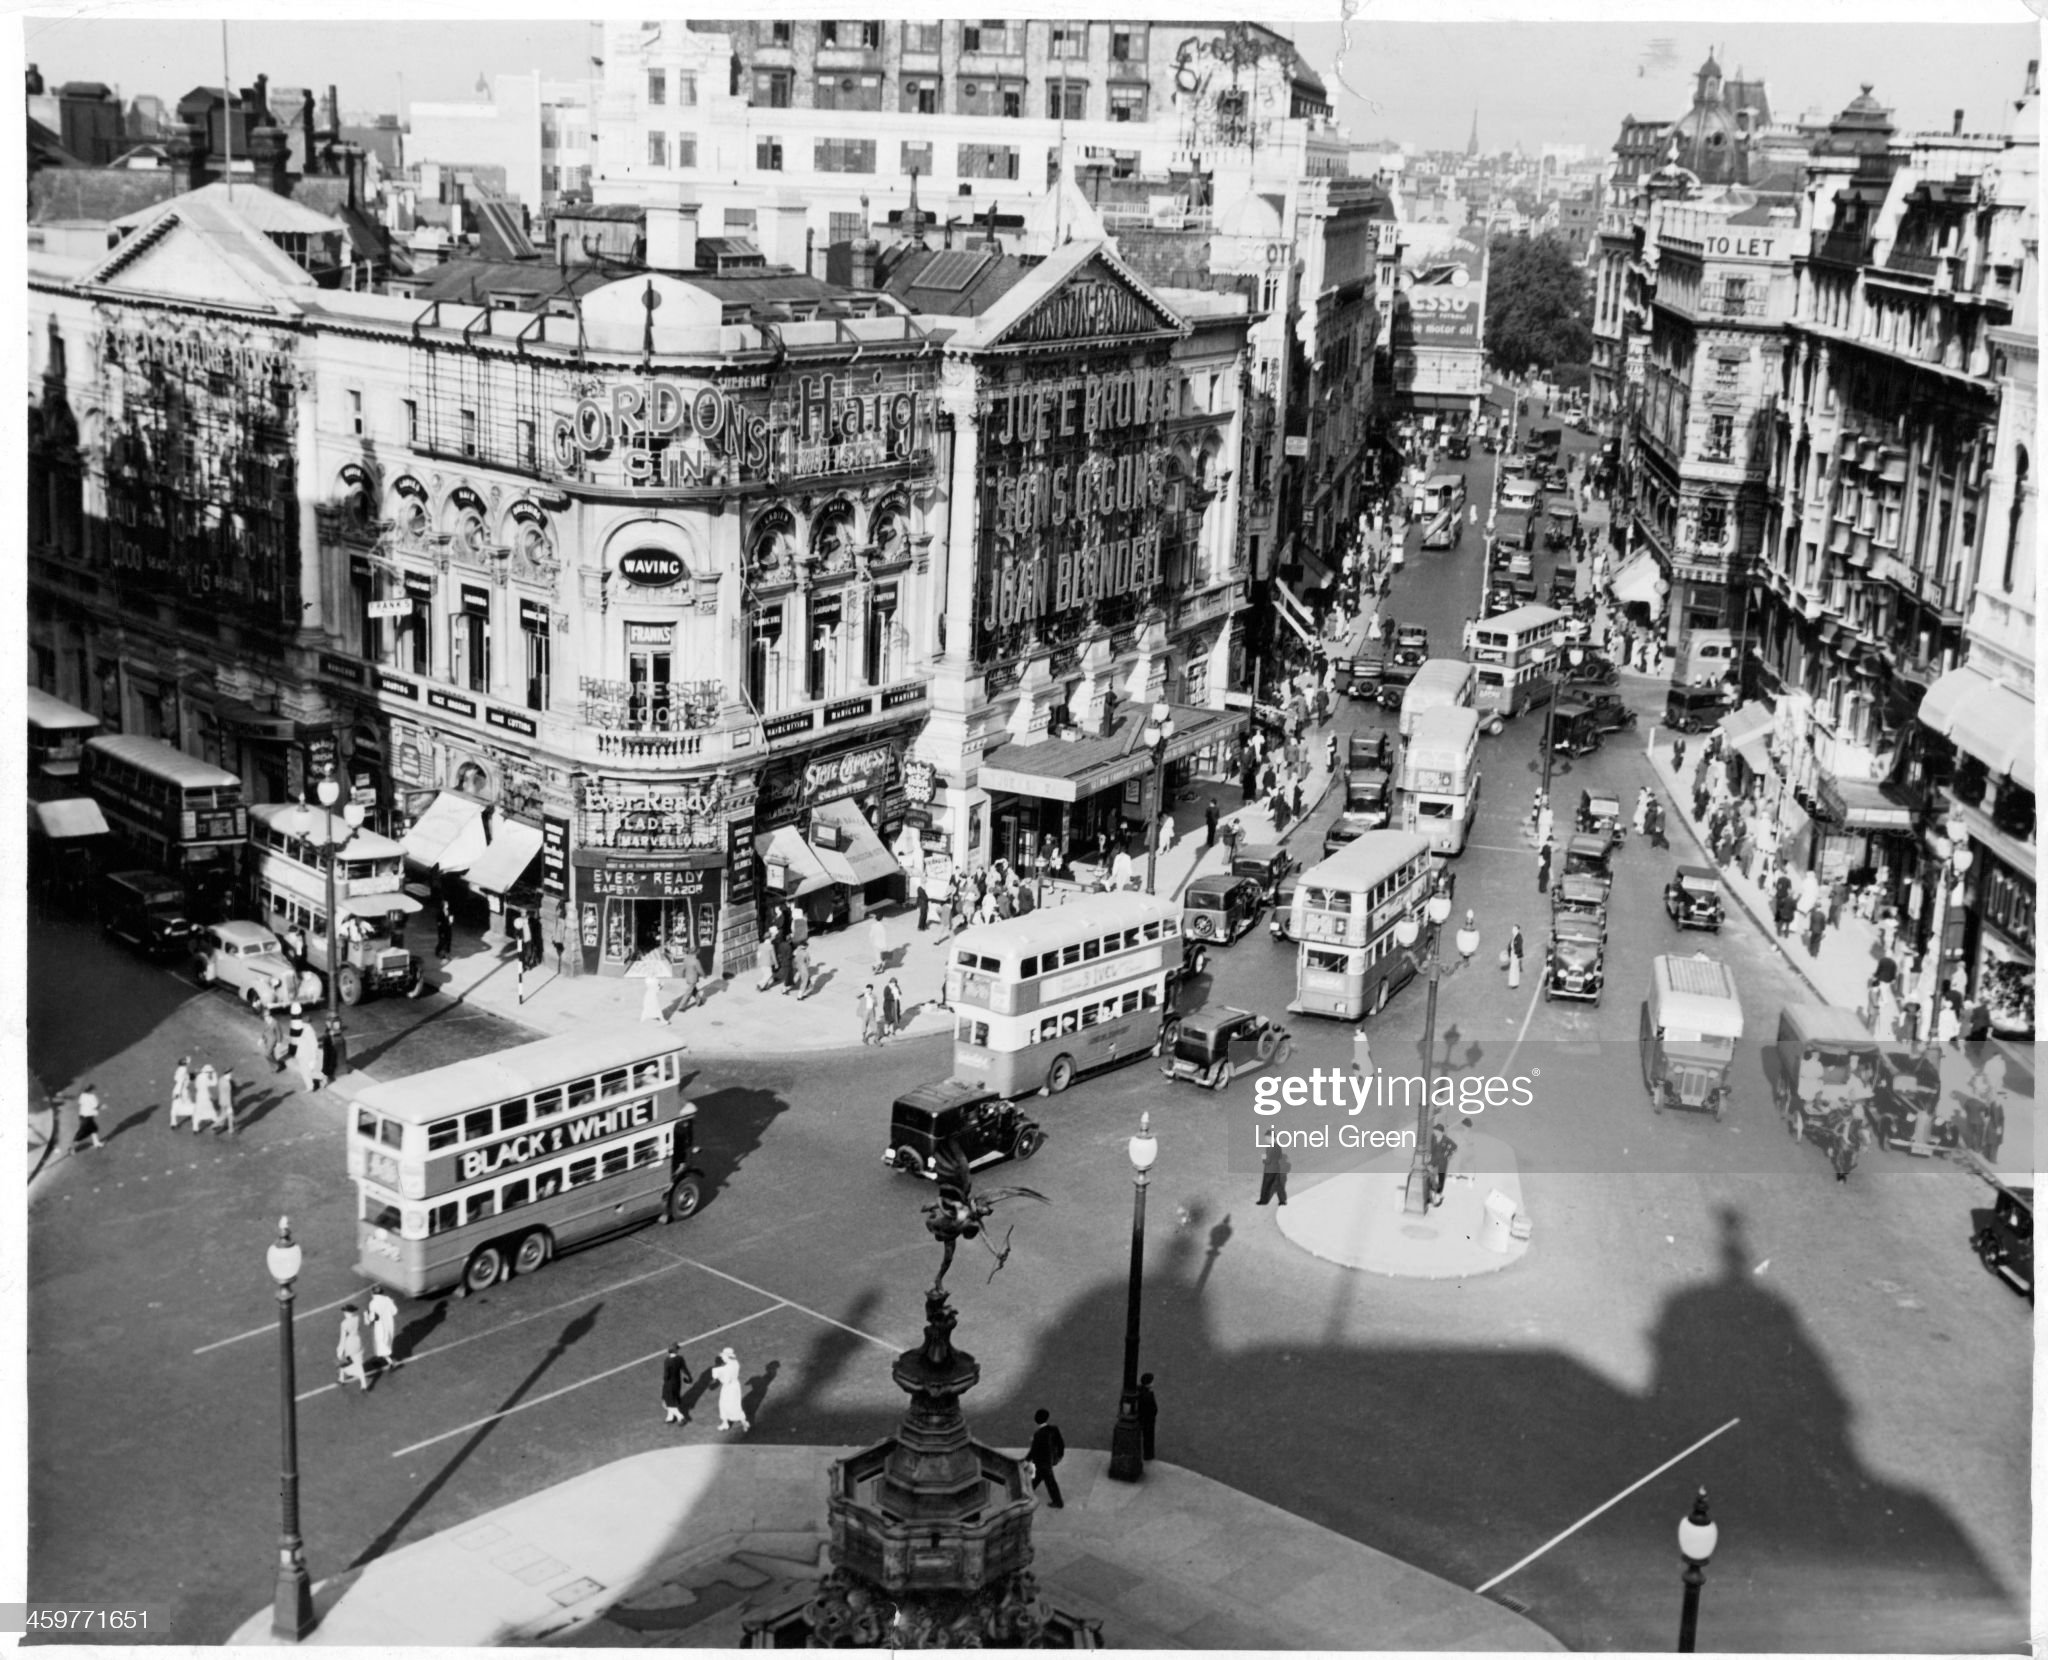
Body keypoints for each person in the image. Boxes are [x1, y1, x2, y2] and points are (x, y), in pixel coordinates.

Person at [1026, 1408, 1066, 1508]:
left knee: (1050, 1482)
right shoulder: (1054, 1429)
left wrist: (1026, 1460)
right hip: (1050, 1460)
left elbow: (1034, 1451)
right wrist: (1060, 1455)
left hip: (1043, 1462)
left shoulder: (1038, 1435)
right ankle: (1029, 1491)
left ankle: (1058, 1502)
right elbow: (1061, 1443)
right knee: (1039, 1476)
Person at [712, 1346, 749, 1433]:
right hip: (734, 1386)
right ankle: (726, 1423)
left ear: (727, 1356)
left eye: (724, 1356)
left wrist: (717, 1374)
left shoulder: (727, 1368)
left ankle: (744, 1423)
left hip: (729, 1388)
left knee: (732, 1406)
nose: (722, 1357)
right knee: (725, 1405)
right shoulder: (735, 1363)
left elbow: (726, 1380)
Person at [336, 1305, 371, 1392]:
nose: (344, 1313)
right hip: (358, 1341)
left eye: (345, 1312)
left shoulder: (344, 1323)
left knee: (345, 1362)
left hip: (350, 1343)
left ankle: (342, 1378)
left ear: (348, 1313)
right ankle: (363, 1385)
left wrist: (340, 1349)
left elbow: (343, 1338)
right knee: (358, 1363)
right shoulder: (357, 1318)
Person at [365, 1289, 398, 1378]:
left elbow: (371, 1318)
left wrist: (366, 1315)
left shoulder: (373, 1303)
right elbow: (394, 1311)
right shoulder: (387, 1299)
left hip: (380, 1327)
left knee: (380, 1343)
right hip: (389, 1324)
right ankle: (379, 1357)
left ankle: (391, 1362)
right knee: (385, 1342)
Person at [661, 1342, 694, 1424]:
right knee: (672, 1400)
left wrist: (665, 1382)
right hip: (677, 1383)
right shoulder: (680, 1359)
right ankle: (670, 1417)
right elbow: (684, 1369)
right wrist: (689, 1378)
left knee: (668, 1401)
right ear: (675, 1351)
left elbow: (666, 1375)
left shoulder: (667, 1361)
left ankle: (681, 1417)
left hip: (669, 1384)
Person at [72, 1083, 104, 1153]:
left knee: (94, 1129)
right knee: (82, 1134)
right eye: (94, 1090)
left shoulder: (82, 1095)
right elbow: (95, 1106)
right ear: (91, 1090)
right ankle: (72, 1148)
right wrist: (102, 1107)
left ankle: (96, 1143)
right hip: (88, 1118)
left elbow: (80, 1102)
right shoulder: (92, 1097)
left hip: (82, 1116)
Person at [1257, 1141, 1290, 1206]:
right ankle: (1282, 1201)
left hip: (1270, 1170)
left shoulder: (1269, 1148)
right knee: (1279, 1186)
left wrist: (1263, 1158)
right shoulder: (1278, 1148)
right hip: (1276, 1169)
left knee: (1266, 1185)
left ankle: (1264, 1200)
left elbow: (1267, 1161)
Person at [1136, 1373, 1159, 1462]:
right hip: (1148, 1419)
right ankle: (1148, 1455)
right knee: (1148, 1437)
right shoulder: (1148, 1395)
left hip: (1141, 1417)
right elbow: (1153, 1409)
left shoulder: (1139, 1390)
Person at [672, 950, 703, 1016]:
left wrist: (682, 974)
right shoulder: (696, 961)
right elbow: (700, 970)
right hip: (693, 979)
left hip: (688, 978)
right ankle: (681, 1006)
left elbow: (683, 968)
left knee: (693, 989)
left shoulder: (686, 959)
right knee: (688, 992)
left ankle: (699, 1001)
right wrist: (704, 975)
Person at [168, 1057, 194, 1130]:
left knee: (175, 1106)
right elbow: (181, 1082)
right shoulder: (183, 1070)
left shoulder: (180, 1069)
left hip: (179, 1090)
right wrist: (178, 1093)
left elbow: (178, 1079)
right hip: (181, 1091)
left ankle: (173, 1123)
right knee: (187, 1103)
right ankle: (192, 1115)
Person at [214, 1067, 237, 1136]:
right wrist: (229, 1106)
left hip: (222, 1100)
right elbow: (228, 1095)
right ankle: (215, 1125)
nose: (231, 1074)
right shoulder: (228, 1083)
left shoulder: (221, 1079)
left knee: (227, 1115)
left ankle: (230, 1129)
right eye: (230, 1072)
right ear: (227, 1073)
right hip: (227, 1102)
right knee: (226, 1115)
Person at [1506, 923, 1524, 990]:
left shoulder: (1519, 937)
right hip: (1513, 954)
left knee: (1514, 969)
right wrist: (1509, 953)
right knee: (1513, 969)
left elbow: (1519, 947)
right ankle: (1514, 983)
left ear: (1517, 929)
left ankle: (1514, 984)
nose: (1512, 930)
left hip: (1516, 955)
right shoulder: (1514, 936)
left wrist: (1515, 953)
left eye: (1513, 928)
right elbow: (1510, 945)